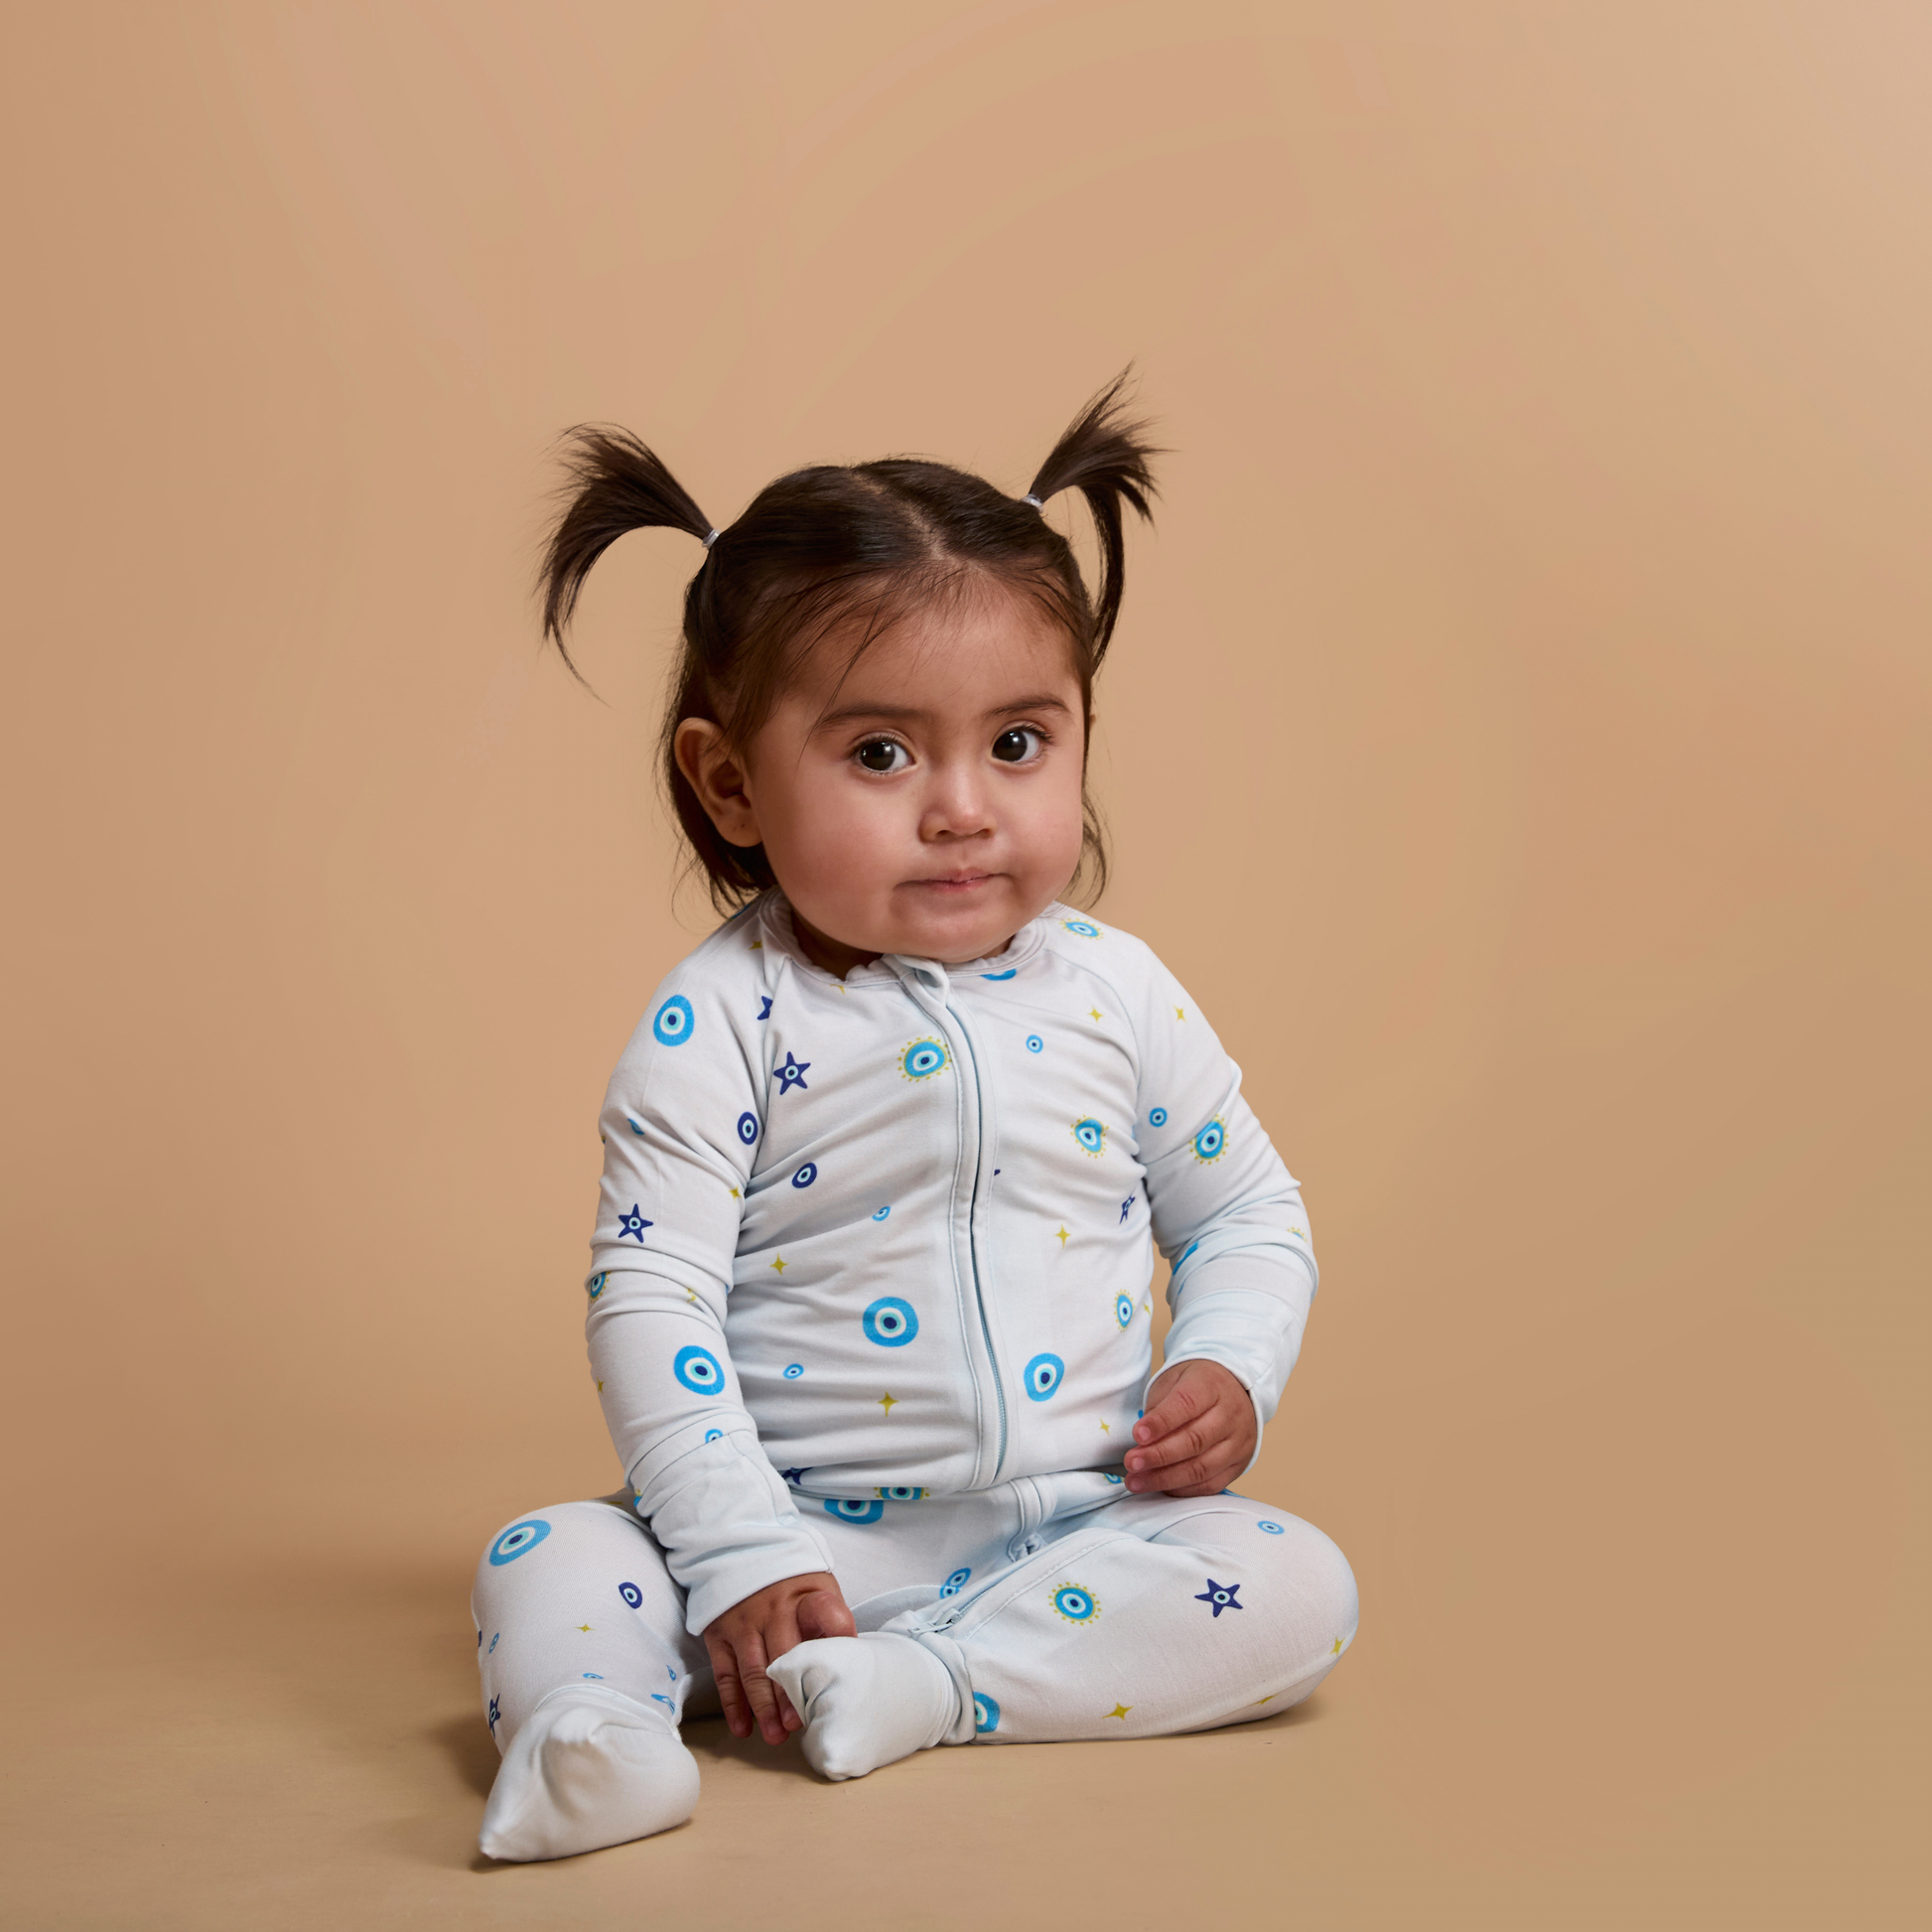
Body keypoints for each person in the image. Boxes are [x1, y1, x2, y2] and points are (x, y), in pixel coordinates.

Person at [471, 375, 1357, 1861]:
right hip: (795, 1533)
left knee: (1297, 1584)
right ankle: (596, 1733)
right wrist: (741, 1548)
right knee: (548, 1555)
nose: (961, 806)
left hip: (1075, 1531)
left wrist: (1226, 1362)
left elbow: (1247, 1214)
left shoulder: (1117, 993)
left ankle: (929, 1683)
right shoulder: (721, 1022)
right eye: (881, 754)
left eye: (1017, 743)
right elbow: (651, 1293)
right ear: (730, 779)